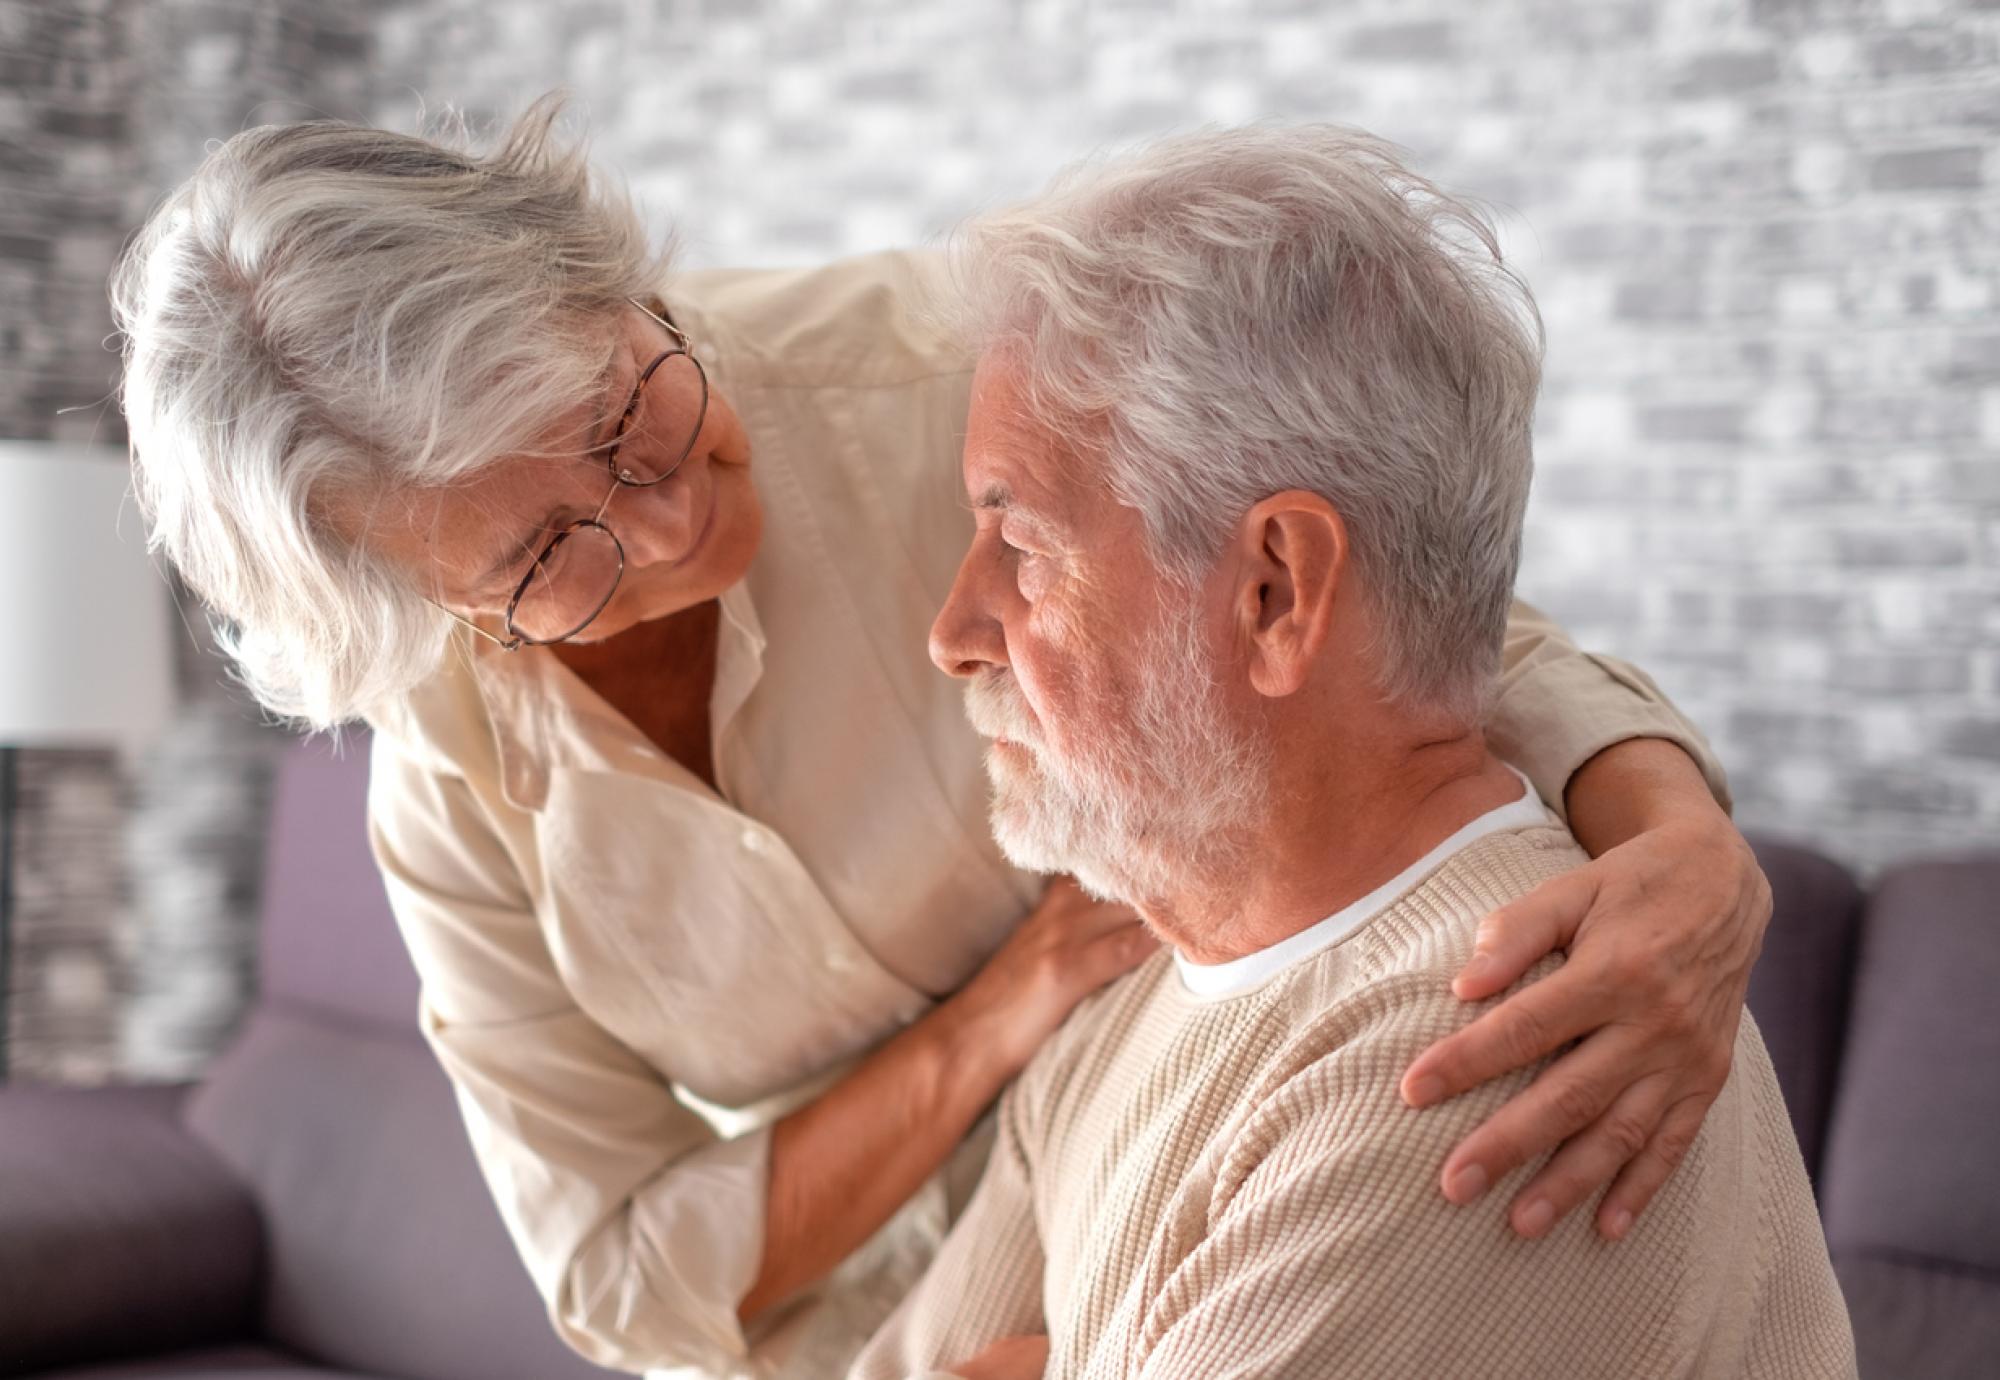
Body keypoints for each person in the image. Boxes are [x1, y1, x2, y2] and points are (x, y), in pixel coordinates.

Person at [113, 99, 1773, 1378]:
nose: (674, 519)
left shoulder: (945, 374)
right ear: (432, 614)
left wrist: (1679, 842)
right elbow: (620, 1279)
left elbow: (1380, 609)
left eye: (630, 413)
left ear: (610, 279)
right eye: (548, 557)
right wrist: (1009, 1009)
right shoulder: (452, 781)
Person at [853, 124, 1854, 1380]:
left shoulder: (1493, 1051)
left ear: (1274, 591)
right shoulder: (1128, 1003)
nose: (952, 634)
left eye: (1027, 549)